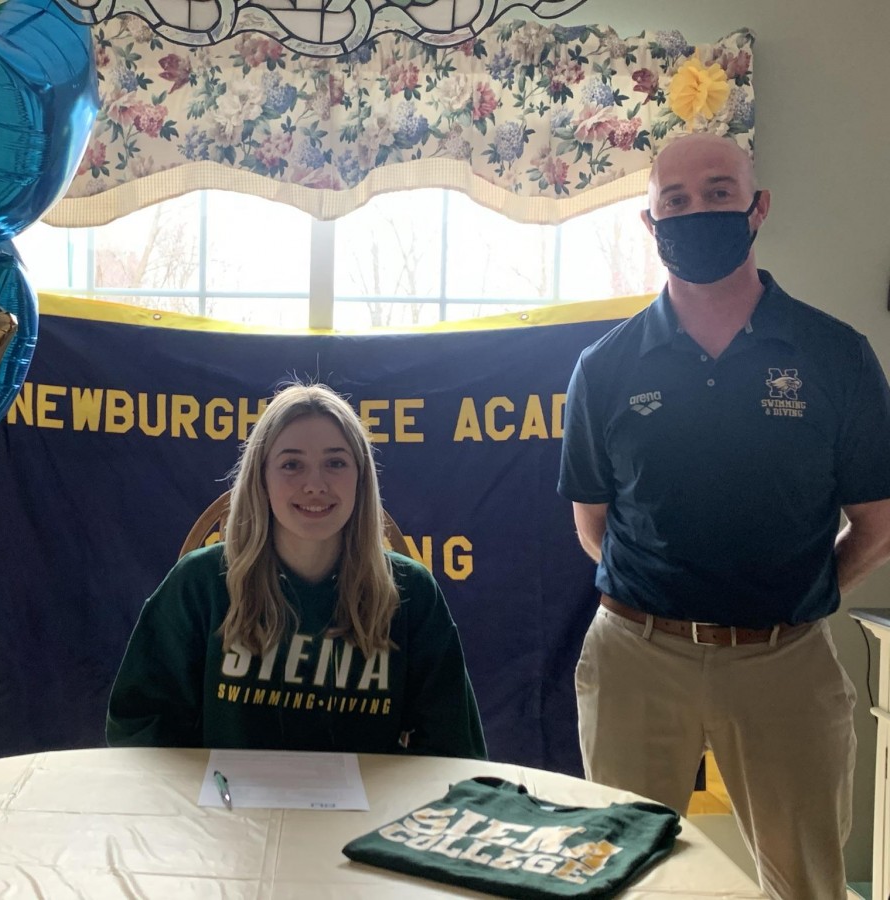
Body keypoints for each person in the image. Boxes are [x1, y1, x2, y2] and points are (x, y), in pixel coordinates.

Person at [558, 132, 890, 900]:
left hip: (785, 663)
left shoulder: (836, 356)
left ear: (758, 208)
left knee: (807, 883)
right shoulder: (604, 368)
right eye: (674, 201)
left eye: (717, 193)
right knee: (616, 882)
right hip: (635, 659)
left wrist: (796, 597)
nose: (695, 211)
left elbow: (876, 524)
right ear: (650, 223)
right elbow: (592, 527)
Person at [107, 382, 486, 759]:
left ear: (361, 476)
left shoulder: (411, 592)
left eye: (335, 463)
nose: (315, 485)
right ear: (261, 477)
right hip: (225, 814)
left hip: (367, 818)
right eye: (291, 464)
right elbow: (138, 728)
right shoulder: (199, 584)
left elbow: (454, 748)